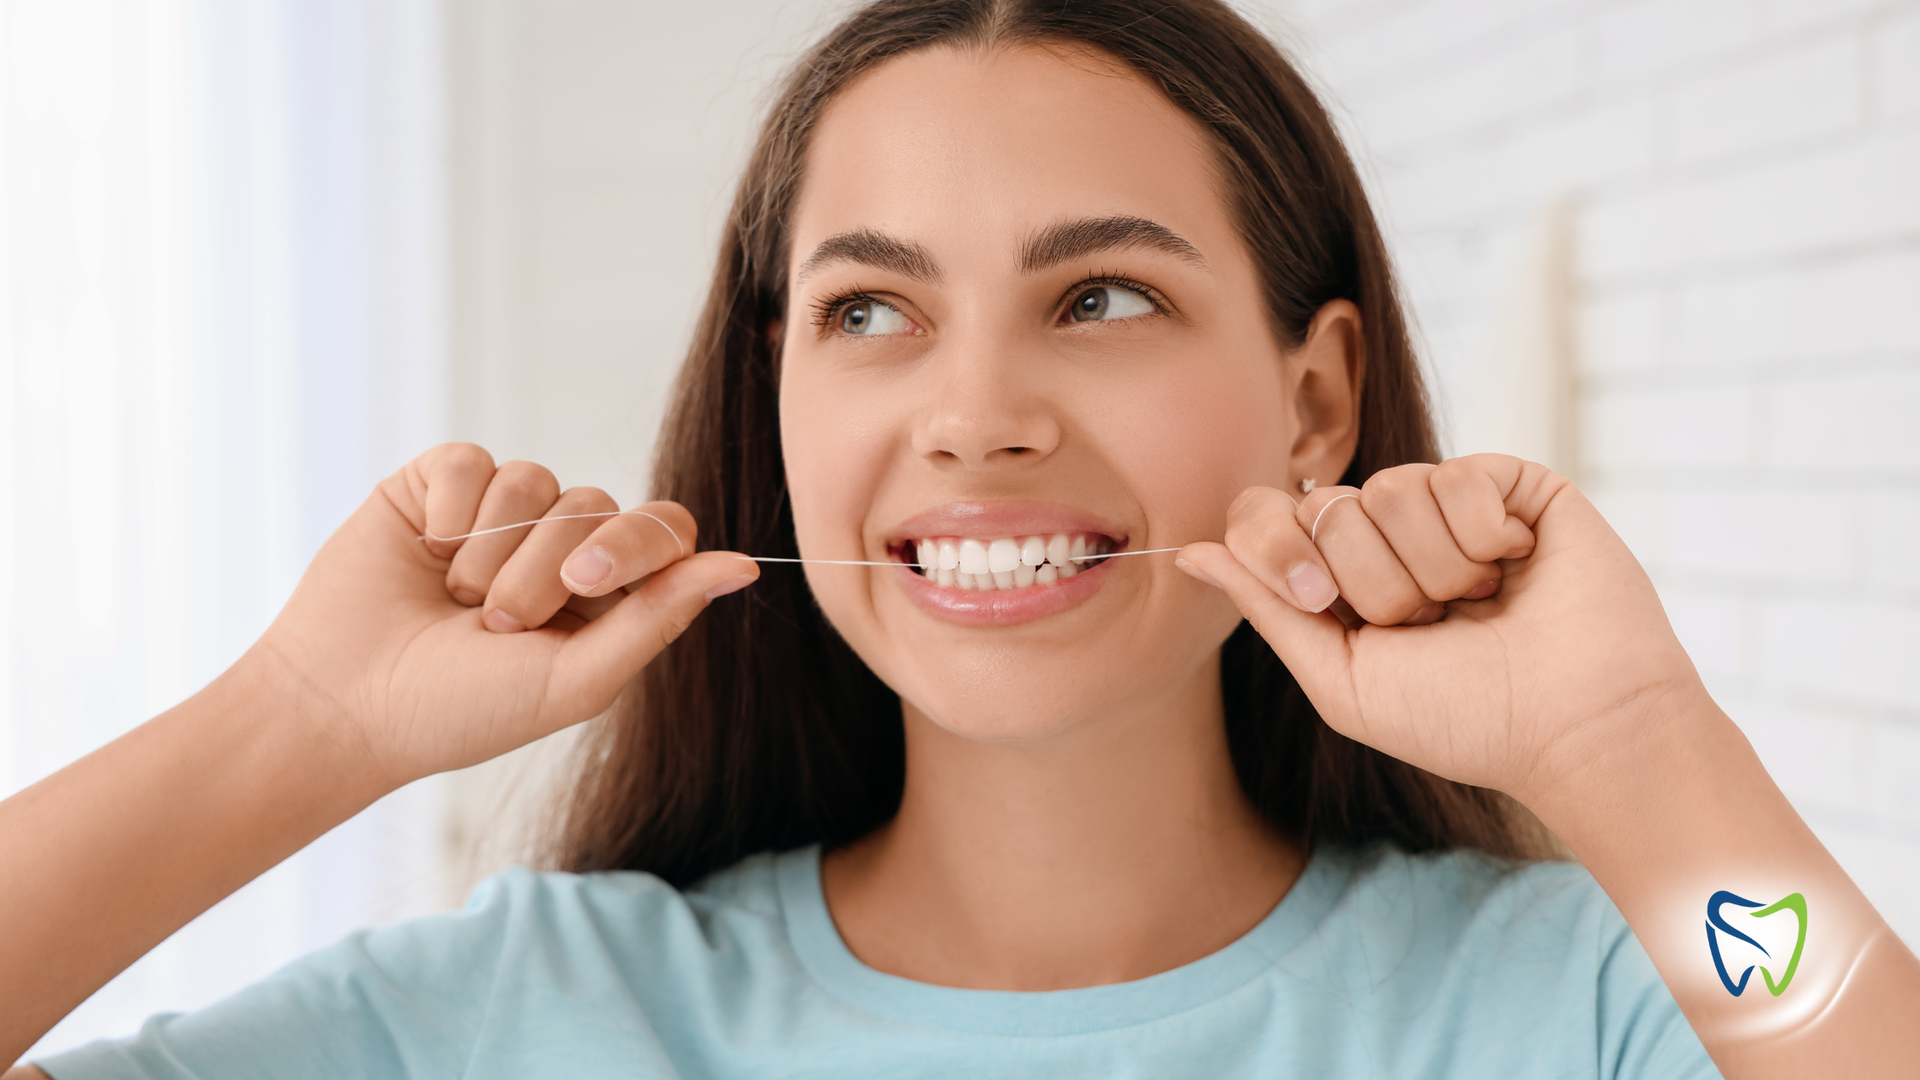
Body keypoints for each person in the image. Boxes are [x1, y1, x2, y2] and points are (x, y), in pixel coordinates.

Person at [6, 1, 1916, 1076]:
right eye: (868, 309)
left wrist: (1631, 754)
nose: (975, 410)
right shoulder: (527, 1017)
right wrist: (298, 724)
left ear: (1318, 399)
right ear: (775, 396)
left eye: (1101, 298)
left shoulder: (1607, 1000)